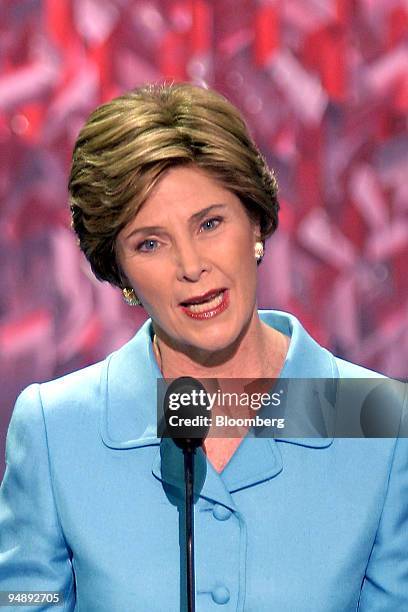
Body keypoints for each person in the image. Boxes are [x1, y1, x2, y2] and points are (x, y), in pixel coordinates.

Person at [0, 82, 407, 612]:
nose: (191, 266)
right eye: (150, 243)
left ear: (256, 222)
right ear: (119, 271)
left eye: (210, 224)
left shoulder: (378, 418)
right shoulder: (58, 428)